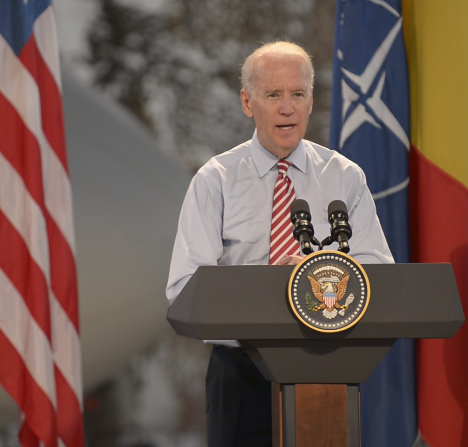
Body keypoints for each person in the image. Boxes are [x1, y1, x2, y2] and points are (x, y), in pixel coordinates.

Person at [165, 41, 393, 446]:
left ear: (310, 101)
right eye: (273, 95)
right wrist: (271, 289)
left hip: (327, 369)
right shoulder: (215, 179)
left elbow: (377, 274)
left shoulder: (345, 177)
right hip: (240, 371)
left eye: (297, 94)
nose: (287, 108)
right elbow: (184, 289)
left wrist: (320, 273)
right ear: (248, 102)